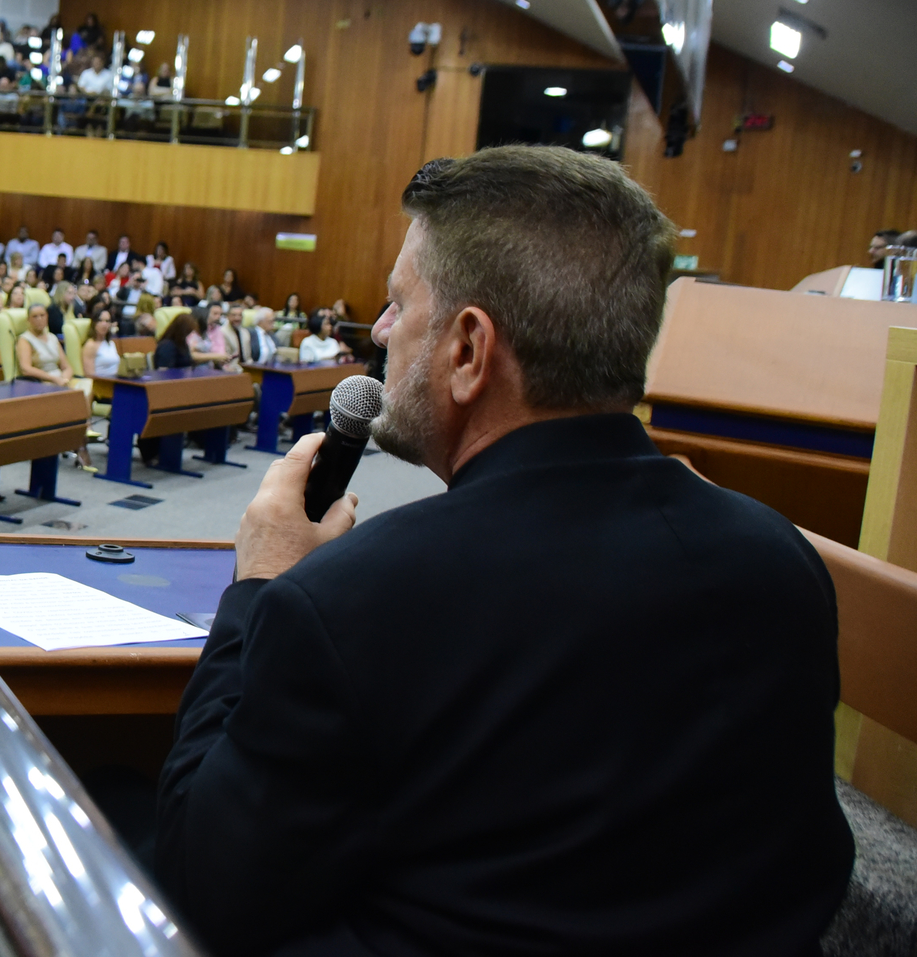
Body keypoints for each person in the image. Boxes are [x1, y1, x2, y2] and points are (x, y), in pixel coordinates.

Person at [157, 147, 855, 955]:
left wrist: (259, 584)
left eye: (398, 304)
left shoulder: (359, 601)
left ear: (468, 350)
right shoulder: (780, 561)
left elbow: (201, 887)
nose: (380, 331)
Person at [15, 304, 95, 470]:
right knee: (70, 395)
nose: (39, 319)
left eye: (42, 315)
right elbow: (26, 368)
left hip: (60, 378)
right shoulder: (24, 339)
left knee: (87, 385)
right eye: (35, 316)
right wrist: (54, 379)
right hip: (40, 381)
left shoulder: (52, 337)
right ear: (28, 320)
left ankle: (84, 427)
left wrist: (64, 377)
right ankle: (81, 440)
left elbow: (67, 366)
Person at [82, 308, 121, 378]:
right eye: (100, 320)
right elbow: (89, 375)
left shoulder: (111, 343)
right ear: (94, 323)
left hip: (117, 380)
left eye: (107, 321)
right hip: (102, 382)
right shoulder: (90, 345)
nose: (104, 324)